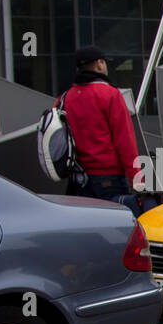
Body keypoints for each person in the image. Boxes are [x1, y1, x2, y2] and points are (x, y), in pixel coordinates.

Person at [61, 44, 146, 213]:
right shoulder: (110, 94)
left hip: (78, 180)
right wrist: (137, 180)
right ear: (100, 64)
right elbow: (125, 141)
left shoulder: (64, 98)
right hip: (109, 179)